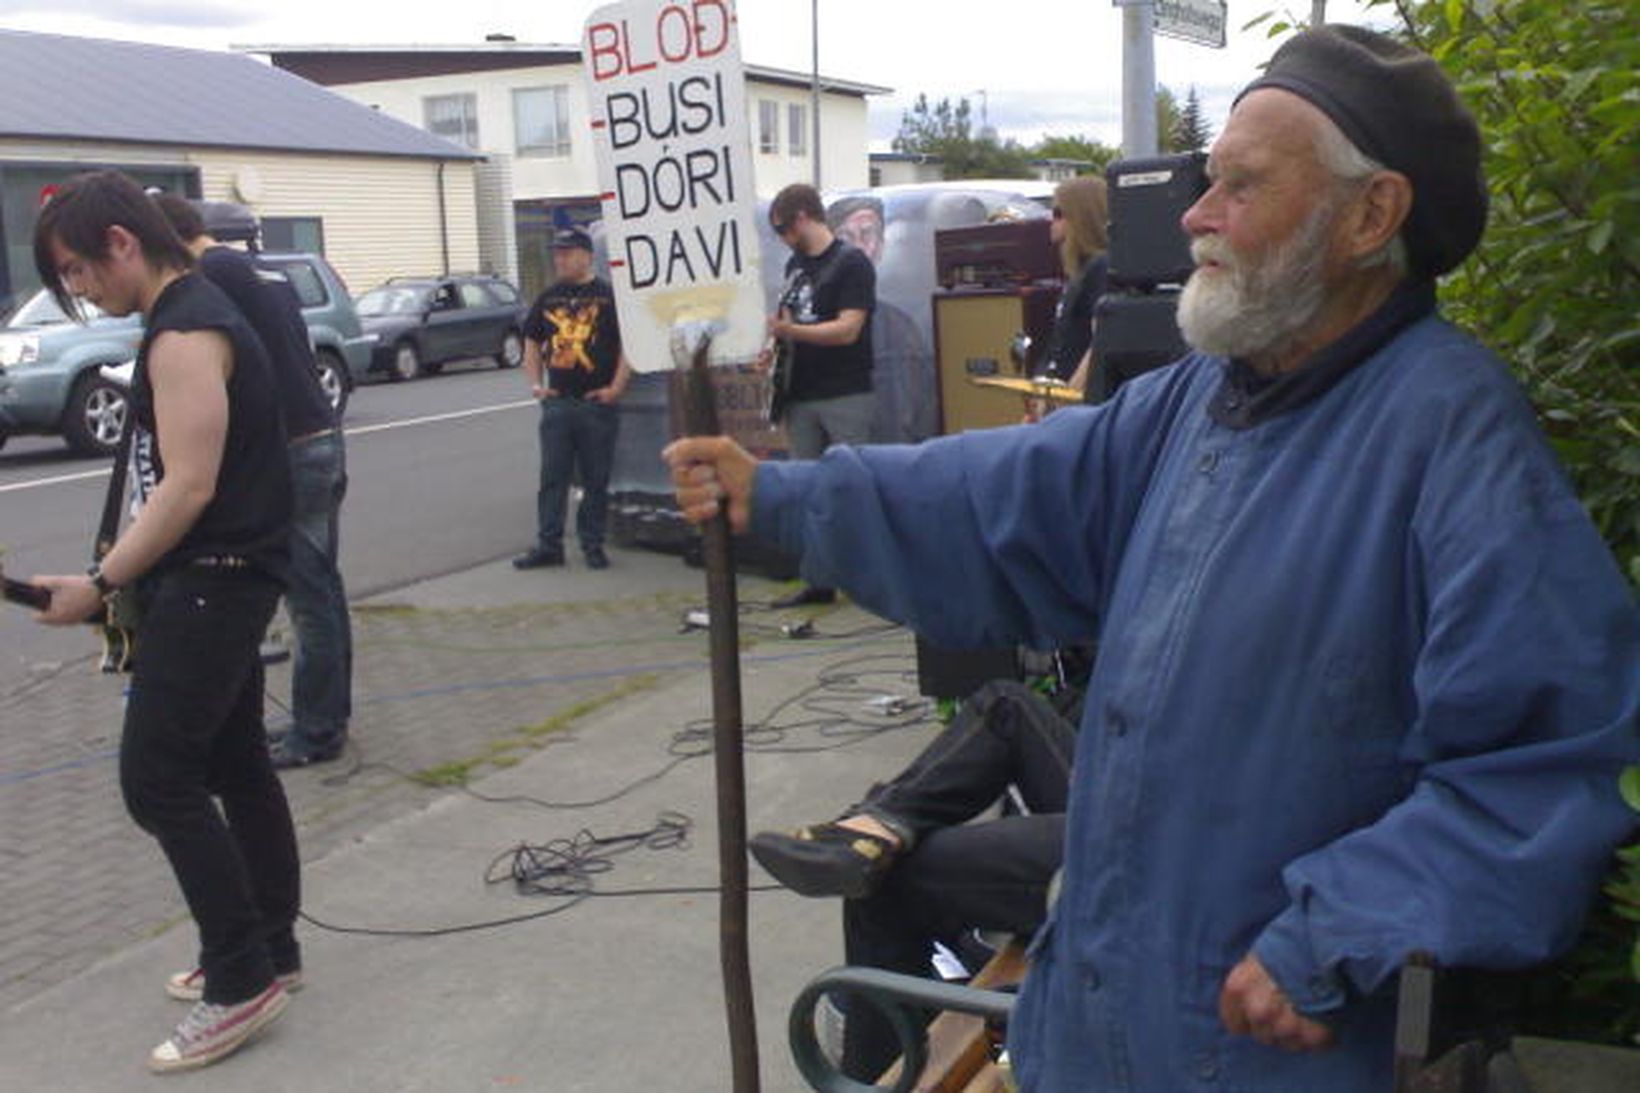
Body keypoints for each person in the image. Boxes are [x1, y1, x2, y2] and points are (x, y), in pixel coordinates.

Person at [665, 26, 1640, 1092]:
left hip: (1252, 1052)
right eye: (1203, 179)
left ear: (1370, 216)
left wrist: (1335, 930)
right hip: (1095, 1020)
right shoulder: (1198, 400)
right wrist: (783, 498)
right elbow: (999, 499)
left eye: (1238, 184)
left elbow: (1539, 767)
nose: (1193, 212)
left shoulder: (1451, 440)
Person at [28, 170, 300, 1072]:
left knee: (157, 779)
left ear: (120, 242)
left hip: (214, 580)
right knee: (234, 761)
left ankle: (239, 979)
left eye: (76, 270)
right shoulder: (192, 311)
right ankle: (272, 950)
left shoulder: (185, 330)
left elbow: (189, 483)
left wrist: (102, 582)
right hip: (224, 573)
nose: (78, 290)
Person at [753, 653, 1089, 1081]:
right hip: (1153, 817)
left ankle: (871, 1083)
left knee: (888, 884)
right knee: (1008, 705)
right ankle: (874, 827)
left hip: (1164, 860)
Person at [152, 194, 353, 769]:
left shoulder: (210, 278)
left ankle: (317, 731)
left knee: (307, 597)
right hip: (318, 435)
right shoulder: (263, 271)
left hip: (290, 448)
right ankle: (327, 714)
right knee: (322, 590)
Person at [763, 182, 877, 609]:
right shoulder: (795, 265)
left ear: (802, 218)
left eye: (781, 229)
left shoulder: (852, 264)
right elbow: (788, 321)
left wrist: (792, 332)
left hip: (844, 390)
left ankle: (869, 578)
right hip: (801, 390)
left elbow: (849, 329)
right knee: (808, 490)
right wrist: (775, 350)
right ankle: (819, 579)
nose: (781, 239)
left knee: (853, 487)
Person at [513, 226, 631, 571]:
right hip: (559, 402)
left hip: (597, 403)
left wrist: (616, 388)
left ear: (586, 255)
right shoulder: (549, 297)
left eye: (566, 253)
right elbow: (531, 341)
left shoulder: (607, 297)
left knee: (596, 478)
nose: (559, 259)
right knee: (553, 477)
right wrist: (536, 385)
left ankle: (592, 543)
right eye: (556, 253)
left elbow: (629, 345)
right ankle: (548, 544)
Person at [825, 194, 937, 443]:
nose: (859, 247)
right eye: (846, 237)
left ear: (881, 246)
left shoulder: (901, 328)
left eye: (868, 234)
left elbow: (923, 417)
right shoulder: (809, 322)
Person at [1039, 176, 1109, 393]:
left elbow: (1100, 345)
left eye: (1058, 214)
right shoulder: (1078, 274)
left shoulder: (1101, 268)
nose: (1052, 225)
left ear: (1082, 217)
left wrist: (1064, 399)